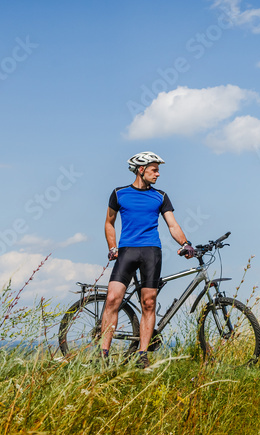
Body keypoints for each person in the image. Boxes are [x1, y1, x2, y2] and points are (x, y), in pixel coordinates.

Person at [100, 151, 195, 368]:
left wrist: (185, 243)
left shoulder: (160, 196)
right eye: (154, 170)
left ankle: (142, 354)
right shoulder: (119, 193)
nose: (158, 174)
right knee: (113, 299)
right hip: (126, 251)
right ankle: (103, 353)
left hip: (151, 252)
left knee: (148, 303)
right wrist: (112, 247)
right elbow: (109, 223)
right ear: (141, 170)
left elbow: (172, 225)